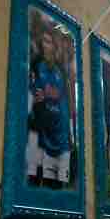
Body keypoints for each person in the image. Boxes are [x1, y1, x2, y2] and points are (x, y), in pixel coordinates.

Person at [27, 24, 71, 187]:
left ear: (55, 46)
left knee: (54, 188)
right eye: (44, 41)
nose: (46, 45)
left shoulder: (61, 71)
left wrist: (68, 132)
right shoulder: (36, 65)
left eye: (49, 42)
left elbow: (65, 101)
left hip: (59, 136)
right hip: (39, 133)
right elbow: (33, 94)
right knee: (34, 181)